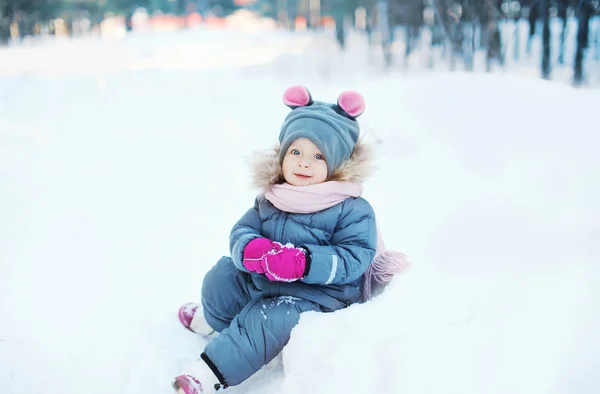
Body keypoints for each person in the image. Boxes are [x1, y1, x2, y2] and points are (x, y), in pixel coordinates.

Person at [172, 85, 408, 394]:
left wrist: (304, 262)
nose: (304, 163)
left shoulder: (350, 208)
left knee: (268, 318)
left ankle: (207, 373)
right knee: (222, 277)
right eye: (295, 152)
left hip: (317, 297)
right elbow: (242, 231)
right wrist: (250, 250)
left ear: (336, 164)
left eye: (318, 155)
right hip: (266, 279)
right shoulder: (272, 197)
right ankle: (214, 323)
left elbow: (353, 258)